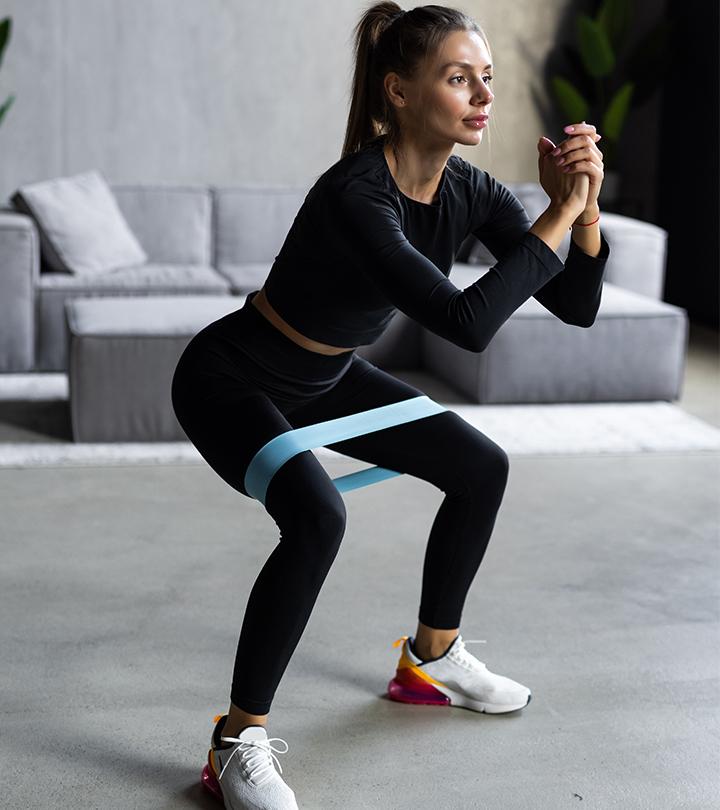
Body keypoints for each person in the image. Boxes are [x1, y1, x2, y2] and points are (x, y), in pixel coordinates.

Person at [171, 3, 610, 808]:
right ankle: (235, 743)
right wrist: (552, 213)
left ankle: (430, 660)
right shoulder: (356, 194)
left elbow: (576, 303)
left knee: (479, 466)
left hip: (329, 375)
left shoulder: (469, 189)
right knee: (316, 517)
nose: (481, 94)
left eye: (486, 78)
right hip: (233, 376)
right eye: (457, 78)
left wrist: (582, 208)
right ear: (399, 91)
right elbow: (463, 324)